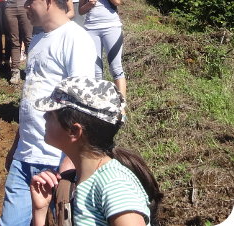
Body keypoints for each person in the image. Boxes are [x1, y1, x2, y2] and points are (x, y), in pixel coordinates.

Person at [0, 0, 96, 226]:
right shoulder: (39, 40)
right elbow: (32, 98)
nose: (26, 5)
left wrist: (67, 163)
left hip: (55, 161)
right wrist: (16, 146)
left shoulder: (76, 40)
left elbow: (82, 104)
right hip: (25, 155)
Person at [30, 77, 162, 226]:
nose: (44, 115)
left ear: (74, 131)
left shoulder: (114, 185)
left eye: (51, 114)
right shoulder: (79, 179)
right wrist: (40, 212)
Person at [79, 0, 126, 98]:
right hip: (91, 28)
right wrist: (88, 5)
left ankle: (121, 105)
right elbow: (80, 10)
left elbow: (117, 1)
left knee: (115, 67)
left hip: (111, 27)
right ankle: (97, 103)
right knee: (95, 70)